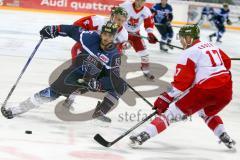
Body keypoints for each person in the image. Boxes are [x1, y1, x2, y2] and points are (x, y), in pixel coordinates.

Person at [129, 24, 236, 149]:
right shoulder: (211, 45)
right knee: (206, 112)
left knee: (171, 113)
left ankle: (143, 136)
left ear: (189, 38)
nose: (180, 41)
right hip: (226, 92)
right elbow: (227, 63)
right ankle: (225, 137)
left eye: (182, 38)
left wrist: (165, 98)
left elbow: (182, 84)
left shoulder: (188, 53)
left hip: (205, 90)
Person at [1, 21, 128, 123]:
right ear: (101, 34)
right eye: (105, 34)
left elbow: (113, 78)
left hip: (91, 80)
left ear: (114, 37)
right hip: (75, 74)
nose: (106, 37)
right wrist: (55, 29)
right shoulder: (90, 37)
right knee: (52, 93)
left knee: (121, 85)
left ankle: (100, 111)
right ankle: (17, 109)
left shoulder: (114, 55)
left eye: (110, 35)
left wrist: (99, 84)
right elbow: (72, 30)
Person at [120, 0, 158, 80]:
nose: (140, 3)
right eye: (139, 0)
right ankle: (111, 70)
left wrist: (150, 34)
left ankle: (146, 71)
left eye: (143, 1)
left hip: (136, 35)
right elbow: (115, 15)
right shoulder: (125, 6)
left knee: (145, 54)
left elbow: (149, 24)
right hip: (123, 33)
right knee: (116, 52)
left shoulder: (146, 11)